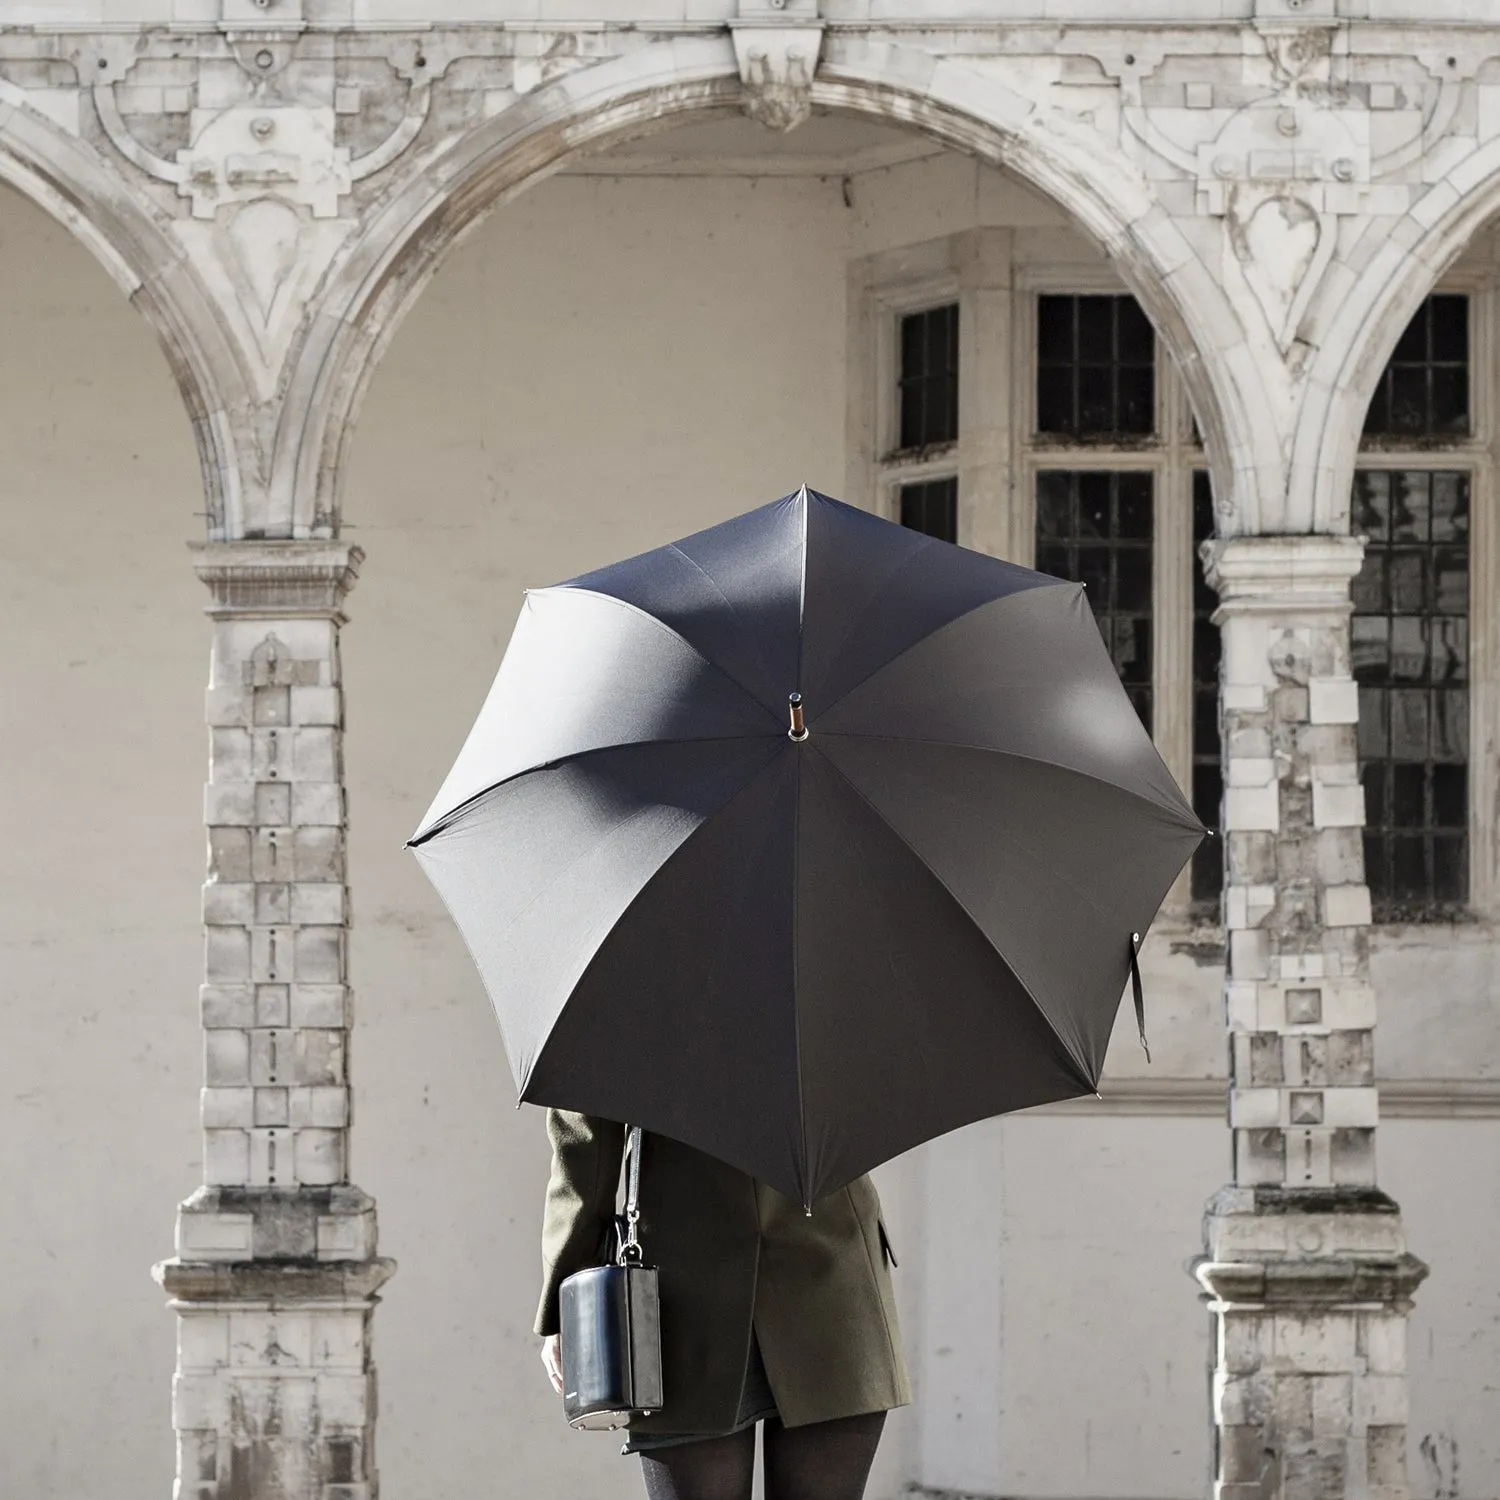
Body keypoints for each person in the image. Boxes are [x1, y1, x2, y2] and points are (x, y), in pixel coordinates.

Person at [536, 1110, 910, 1500]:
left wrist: (568, 1299)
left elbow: (585, 1161)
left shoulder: (609, 1044)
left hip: (682, 1298)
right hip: (834, 1268)